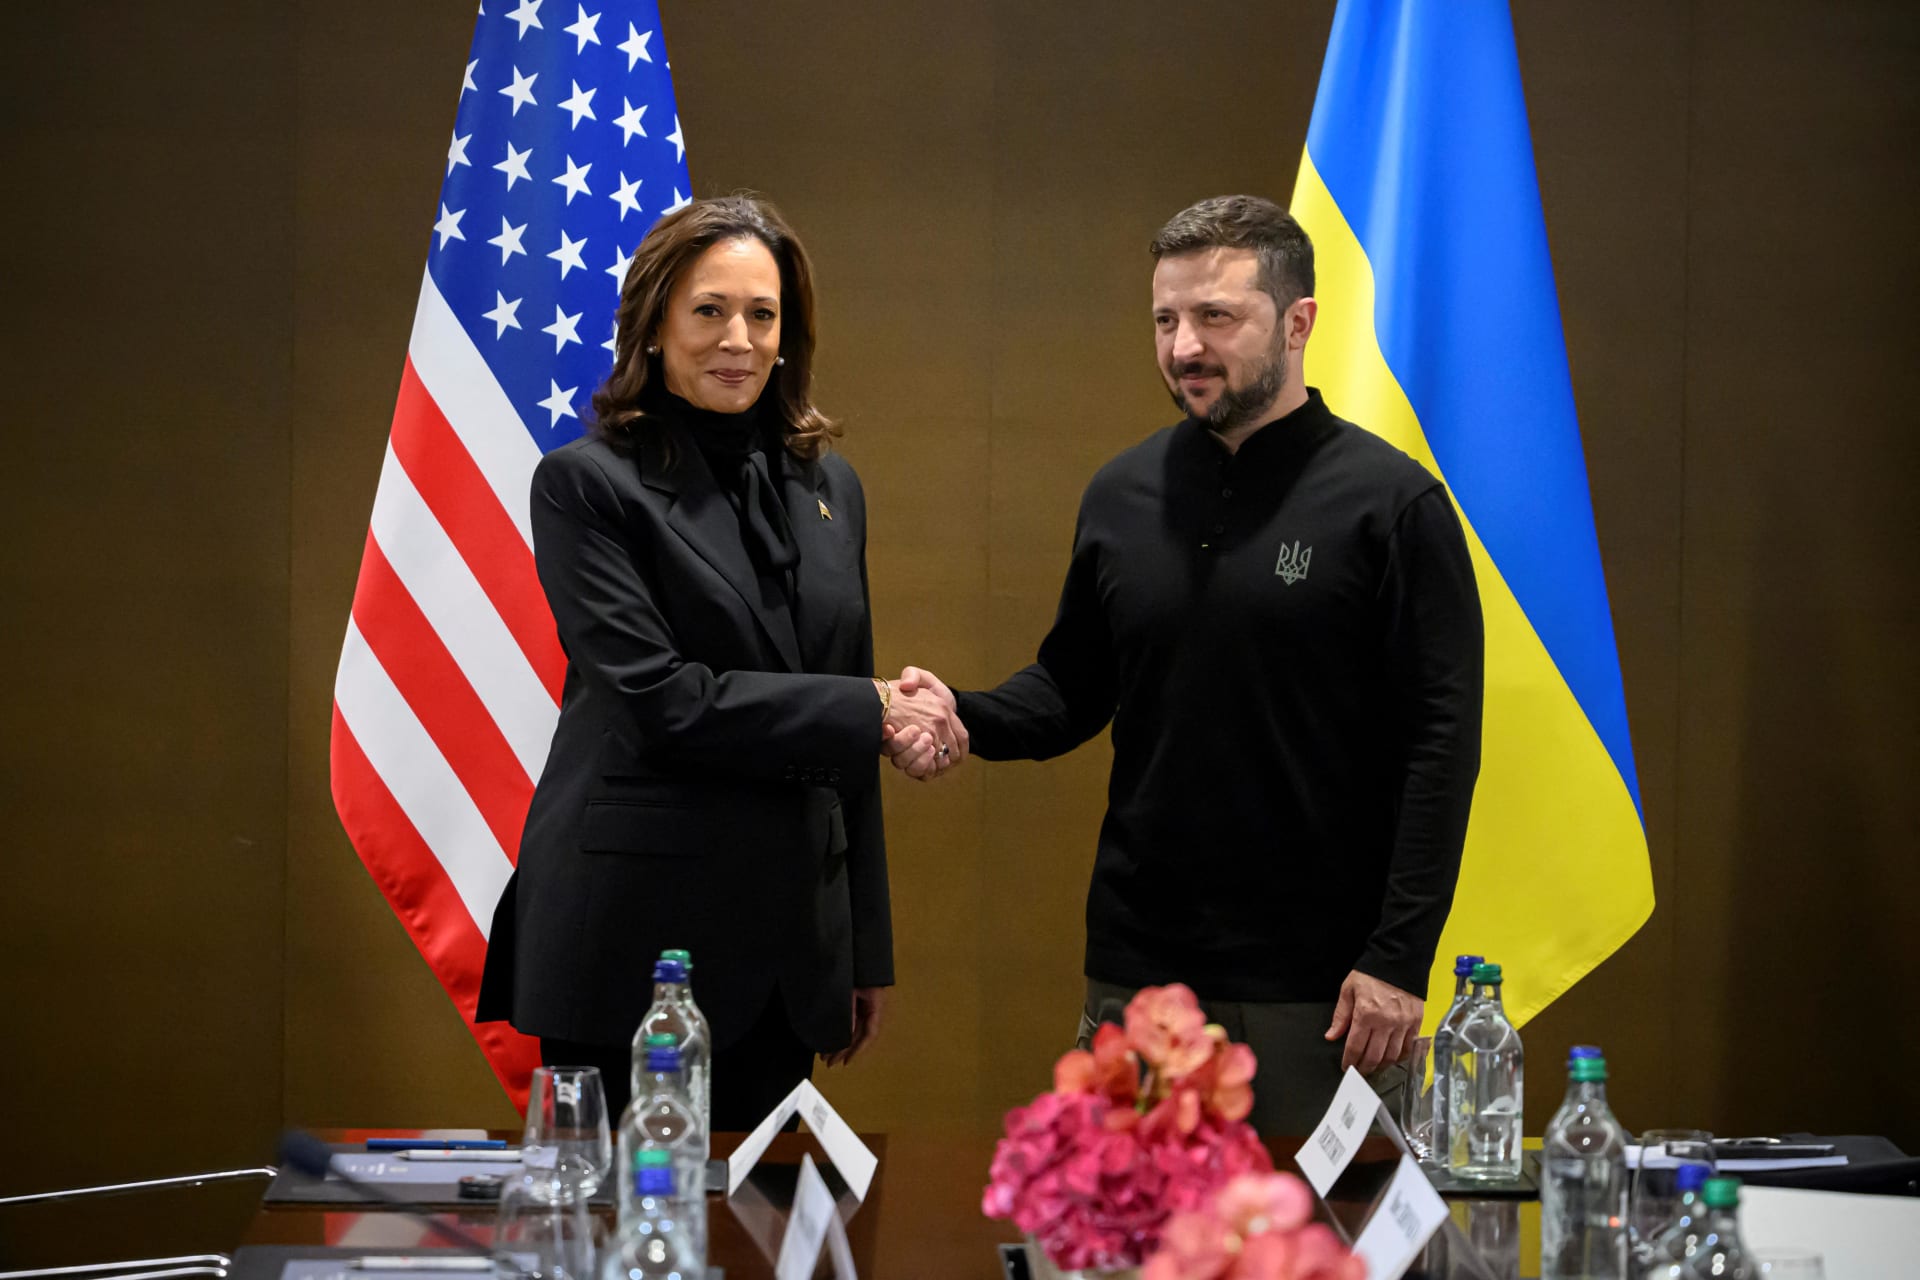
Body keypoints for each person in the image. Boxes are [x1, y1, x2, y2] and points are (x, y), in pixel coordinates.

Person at [885, 194, 1484, 1134]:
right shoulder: (1121, 493)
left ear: (1299, 323)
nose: (1184, 347)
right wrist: (959, 711)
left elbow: (1441, 747)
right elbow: (1072, 689)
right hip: (1138, 970)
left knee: (1318, 1260)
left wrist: (1400, 959)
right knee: (1125, 1252)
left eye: (1216, 317)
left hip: (1324, 990)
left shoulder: (1393, 506)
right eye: (1165, 319)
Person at [477, 195, 965, 1126]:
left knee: (757, 1251)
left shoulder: (830, 488)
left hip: (788, 960)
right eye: (709, 311)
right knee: (627, 1250)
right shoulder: (586, 483)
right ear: (654, 324)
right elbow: (663, 701)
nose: (737, 338)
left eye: (762, 314)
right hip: (632, 947)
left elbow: (841, 730)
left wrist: (863, 951)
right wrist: (873, 707)